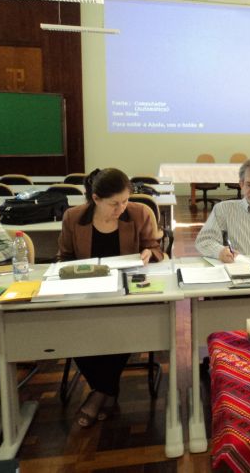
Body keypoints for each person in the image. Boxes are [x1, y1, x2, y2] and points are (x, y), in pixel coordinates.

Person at [58, 168, 163, 428]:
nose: (122, 207)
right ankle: (107, 390)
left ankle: (99, 394)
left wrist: (150, 254)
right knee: (71, 329)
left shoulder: (140, 213)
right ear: (96, 199)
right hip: (86, 293)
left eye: (125, 200)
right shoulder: (74, 218)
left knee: (122, 323)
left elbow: (156, 248)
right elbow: (65, 258)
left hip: (128, 294)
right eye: (114, 203)